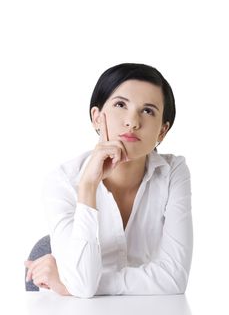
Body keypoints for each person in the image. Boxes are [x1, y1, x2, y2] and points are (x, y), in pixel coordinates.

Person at [25, 63, 193, 298]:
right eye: (120, 105)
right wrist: (88, 186)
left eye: (148, 111)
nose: (132, 121)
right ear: (96, 117)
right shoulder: (62, 181)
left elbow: (174, 279)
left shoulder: (173, 172)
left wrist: (72, 282)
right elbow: (83, 286)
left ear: (162, 132)